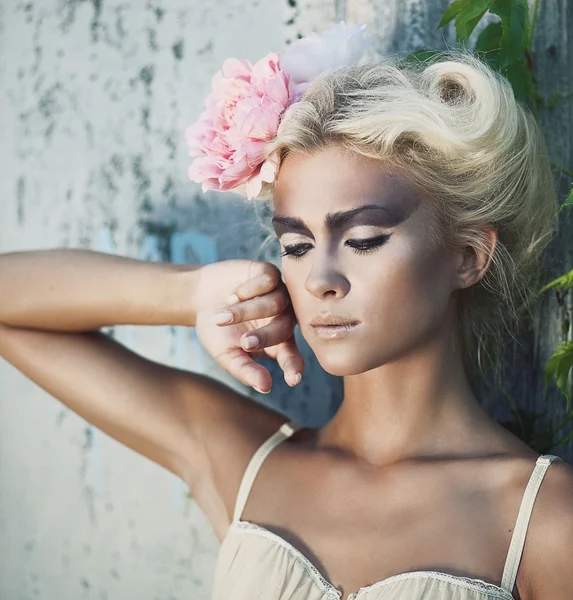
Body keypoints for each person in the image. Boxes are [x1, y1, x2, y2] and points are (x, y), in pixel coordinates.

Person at [1, 22, 572, 600]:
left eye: (365, 240)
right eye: (295, 247)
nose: (320, 279)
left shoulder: (546, 520)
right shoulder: (243, 461)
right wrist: (193, 295)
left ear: (468, 256)